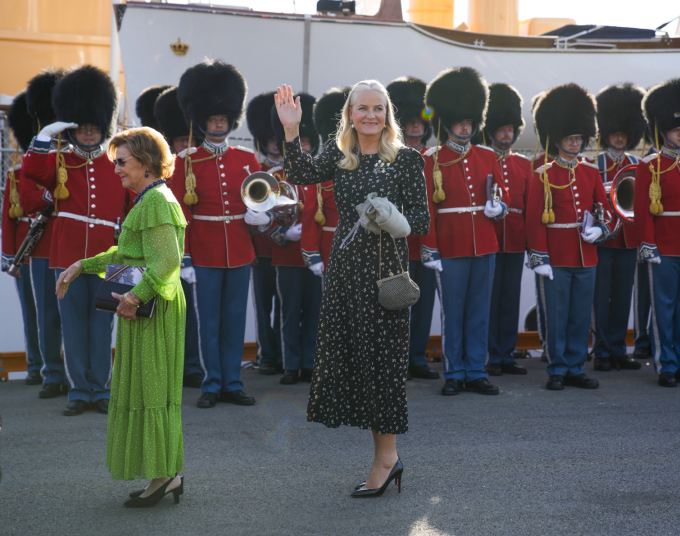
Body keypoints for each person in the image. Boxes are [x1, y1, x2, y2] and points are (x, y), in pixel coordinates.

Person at [275, 80, 429, 497]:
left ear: (387, 114)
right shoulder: (339, 155)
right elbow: (300, 173)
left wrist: (394, 218)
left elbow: (421, 221)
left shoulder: (407, 159)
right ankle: (386, 458)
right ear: (350, 113)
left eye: (378, 108)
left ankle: (387, 458)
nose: (370, 116)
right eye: (362, 108)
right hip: (346, 275)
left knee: (384, 367)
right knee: (359, 365)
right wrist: (291, 130)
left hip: (386, 277)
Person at [56, 127, 186, 506]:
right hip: (145, 306)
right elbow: (129, 254)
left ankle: (165, 476)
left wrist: (133, 297)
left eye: (122, 162)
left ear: (145, 163)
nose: (116, 169)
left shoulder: (157, 200)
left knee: (152, 390)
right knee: (150, 390)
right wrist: (83, 264)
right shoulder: (150, 198)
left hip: (151, 308)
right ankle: (168, 474)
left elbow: (166, 261)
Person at [23, 64, 131, 416]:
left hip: (110, 257)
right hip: (66, 255)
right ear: (73, 129)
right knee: (73, 327)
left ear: (103, 128)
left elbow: (132, 206)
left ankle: (100, 390)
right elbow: (32, 173)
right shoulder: (60, 161)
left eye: (93, 128)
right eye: (81, 128)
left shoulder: (118, 165)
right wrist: (46, 134)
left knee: (102, 327)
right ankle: (78, 392)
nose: (87, 134)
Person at [172, 59, 259, 408]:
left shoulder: (246, 158)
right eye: (212, 119)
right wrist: (185, 257)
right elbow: (180, 212)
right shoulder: (186, 161)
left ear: (230, 119)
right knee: (208, 322)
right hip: (204, 252)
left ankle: (233, 382)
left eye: (223, 119)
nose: (218, 123)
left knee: (235, 320)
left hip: (239, 248)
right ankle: (212, 383)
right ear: (203, 121)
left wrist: (260, 218)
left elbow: (261, 198)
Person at [421, 67, 508, 397]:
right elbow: (428, 208)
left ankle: (476, 370)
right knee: (453, 313)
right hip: (451, 245)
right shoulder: (432, 159)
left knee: (478, 312)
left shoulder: (486, 155)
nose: (466, 126)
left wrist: (498, 208)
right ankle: (454, 371)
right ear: (447, 121)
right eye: (460, 121)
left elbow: (501, 194)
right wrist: (430, 248)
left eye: (470, 121)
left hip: (484, 243)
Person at [527, 83, 610, 391]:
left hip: (585, 255)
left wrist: (600, 228)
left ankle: (576, 366)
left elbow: (606, 209)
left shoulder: (590, 173)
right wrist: (539, 258)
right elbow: (533, 220)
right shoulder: (543, 174)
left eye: (578, 138)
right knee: (558, 317)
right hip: (556, 256)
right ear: (558, 139)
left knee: (578, 317)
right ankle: (557, 367)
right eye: (570, 138)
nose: (575, 143)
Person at [386, 76, 439, 381]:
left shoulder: (435, 159)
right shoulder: (388, 156)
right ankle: (394, 360)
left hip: (426, 243)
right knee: (395, 303)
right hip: (396, 242)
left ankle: (417, 357)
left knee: (423, 302)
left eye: (421, 121)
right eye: (410, 121)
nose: (417, 126)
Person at [590, 84, 646, 372]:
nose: (620, 136)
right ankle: (601, 350)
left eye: (625, 132)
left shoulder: (638, 165)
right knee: (600, 298)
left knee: (623, 296)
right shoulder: (594, 164)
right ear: (606, 132)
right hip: (604, 240)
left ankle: (617, 349)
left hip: (628, 241)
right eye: (615, 132)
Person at [268, 93, 323, 385]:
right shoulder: (275, 177)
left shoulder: (322, 176)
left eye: (306, 143)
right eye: (297, 143)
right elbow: (260, 220)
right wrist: (281, 233)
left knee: (315, 313)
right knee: (289, 313)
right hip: (288, 255)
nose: (302, 147)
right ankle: (290, 365)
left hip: (317, 256)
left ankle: (310, 363)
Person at [152, 85, 204, 388]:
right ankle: (168, 368)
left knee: (192, 316)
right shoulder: (163, 171)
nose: (186, 144)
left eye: (190, 139)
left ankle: (192, 366)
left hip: (196, 252)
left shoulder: (203, 166)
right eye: (181, 139)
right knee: (164, 312)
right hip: (167, 250)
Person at [22, 67, 68, 398]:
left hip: (74, 243)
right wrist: (52, 196)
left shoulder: (77, 157)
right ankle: (52, 373)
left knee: (76, 317)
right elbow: (27, 200)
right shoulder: (36, 156)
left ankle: (78, 373)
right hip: (44, 245)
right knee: (49, 317)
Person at [480, 83, 531, 377]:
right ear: (490, 130)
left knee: (509, 300)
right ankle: (490, 355)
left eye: (511, 129)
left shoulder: (523, 165)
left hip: (514, 241)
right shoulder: (482, 160)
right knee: (488, 300)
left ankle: (506, 354)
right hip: (489, 240)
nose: (507, 134)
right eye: (502, 129)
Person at [634, 78, 680, 387]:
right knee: (663, 308)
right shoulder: (651, 165)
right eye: (677, 130)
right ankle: (667, 365)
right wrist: (648, 244)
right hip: (663, 246)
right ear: (664, 131)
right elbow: (642, 210)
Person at [1, 91, 43, 387]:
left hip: (55, 250)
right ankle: (35, 365)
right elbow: (8, 219)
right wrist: (10, 255)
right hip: (26, 252)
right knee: (32, 312)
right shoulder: (16, 175)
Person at [245, 91, 283, 375]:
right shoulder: (257, 170)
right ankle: (266, 354)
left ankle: (282, 352)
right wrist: (250, 250)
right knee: (263, 307)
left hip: (287, 250)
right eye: (271, 139)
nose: (274, 144)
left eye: (277, 139)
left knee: (285, 306)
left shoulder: (294, 170)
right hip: (261, 249)